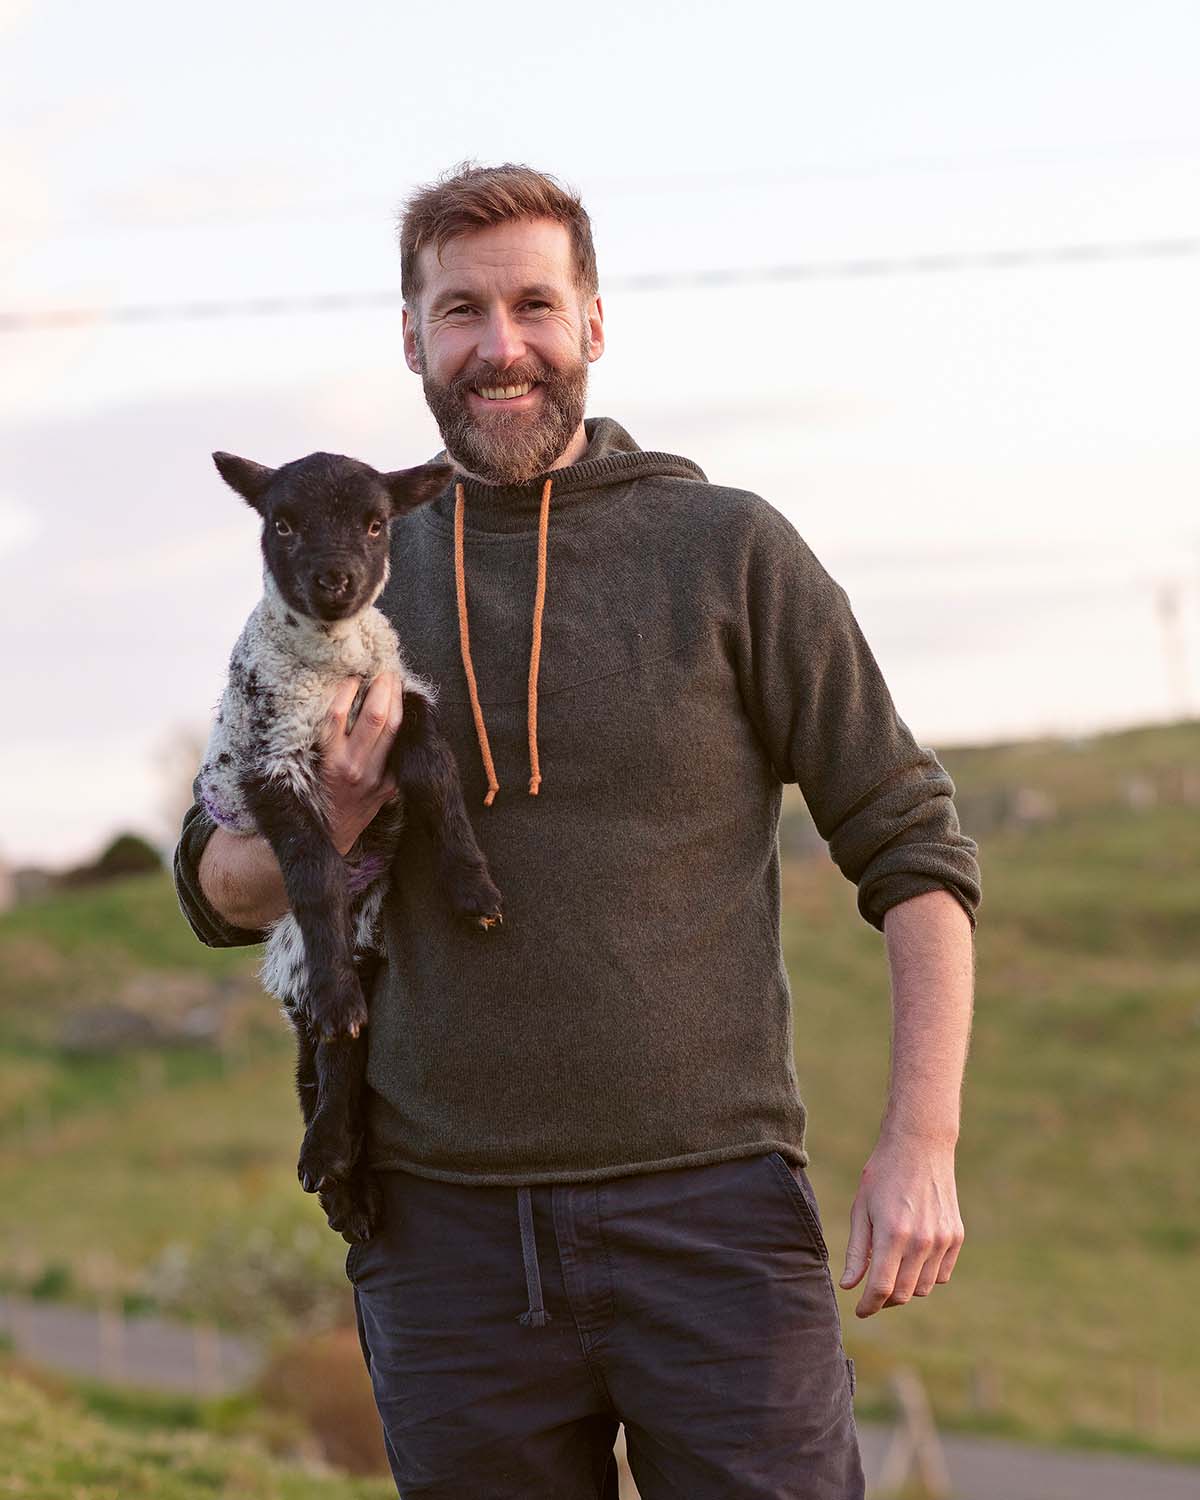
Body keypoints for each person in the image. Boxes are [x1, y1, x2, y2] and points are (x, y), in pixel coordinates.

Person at [174, 161, 981, 1499]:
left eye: (535, 306)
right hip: (440, 1240)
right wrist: (340, 812)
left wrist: (924, 1141)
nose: (502, 348)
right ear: (413, 337)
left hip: (712, 1220)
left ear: (593, 323)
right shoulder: (339, 580)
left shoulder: (727, 550)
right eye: (461, 312)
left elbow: (914, 847)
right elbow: (216, 890)